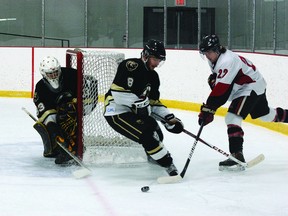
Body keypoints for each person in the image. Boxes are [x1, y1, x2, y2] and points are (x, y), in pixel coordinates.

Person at [198, 34, 288, 170]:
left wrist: (209, 109)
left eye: (209, 52)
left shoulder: (227, 60)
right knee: (266, 115)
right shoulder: (214, 60)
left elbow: (222, 92)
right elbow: (223, 89)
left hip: (250, 86)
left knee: (232, 118)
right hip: (252, 84)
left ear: (217, 50)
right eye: (205, 53)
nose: (207, 56)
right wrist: (210, 107)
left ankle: (236, 155)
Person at [103, 39, 184, 176]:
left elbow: (153, 102)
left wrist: (168, 118)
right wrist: (140, 104)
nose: (157, 64)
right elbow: (118, 94)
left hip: (134, 112)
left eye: (160, 60)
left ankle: (153, 156)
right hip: (116, 111)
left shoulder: (154, 77)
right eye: (155, 59)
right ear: (146, 56)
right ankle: (168, 164)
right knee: (148, 136)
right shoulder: (130, 66)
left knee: (157, 134)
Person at [33, 56, 78, 165]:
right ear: (44, 74)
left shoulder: (71, 75)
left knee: (70, 111)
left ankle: (76, 144)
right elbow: (44, 112)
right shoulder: (40, 87)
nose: (53, 75)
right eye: (50, 74)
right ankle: (62, 149)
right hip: (54, 111)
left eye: (56, 72)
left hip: (71, 110)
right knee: (49, 119)